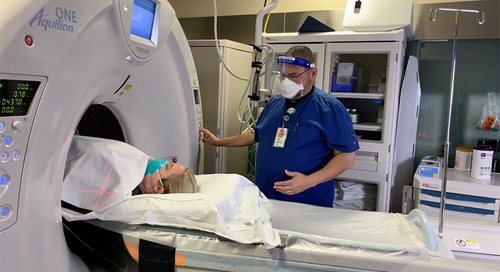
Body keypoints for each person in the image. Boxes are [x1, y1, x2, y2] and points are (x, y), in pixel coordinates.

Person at [199, 45, 359, 207]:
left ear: (313, 73)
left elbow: (346, 158)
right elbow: (256, 134)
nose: (287, 81)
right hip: (266, 196)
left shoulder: (329, 108)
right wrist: (218, 142)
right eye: (283, 76)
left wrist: (309, 181)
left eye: (294, 76)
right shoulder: (275, 102)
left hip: (307, 200)